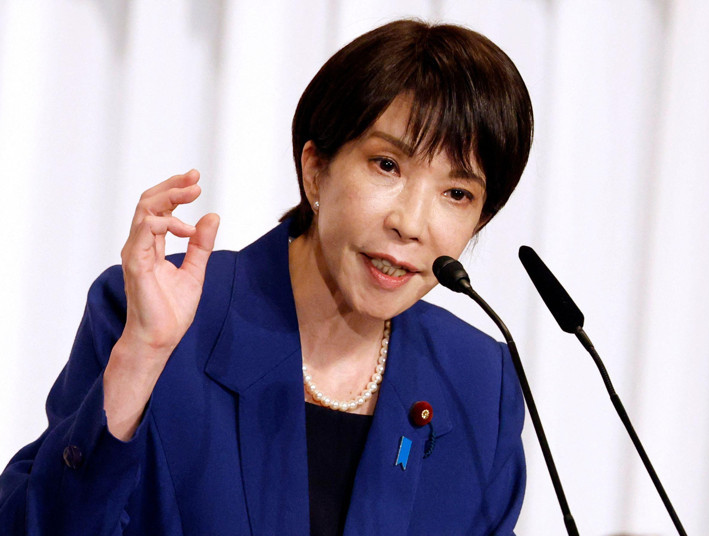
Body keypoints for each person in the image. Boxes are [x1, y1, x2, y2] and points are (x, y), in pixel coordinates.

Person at [0, 19, 533, 535]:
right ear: (315, 169)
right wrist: (140, 358)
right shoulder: (154, 315)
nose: (411, 224)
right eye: (387, 165)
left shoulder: (479, 384)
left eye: (457, 193)